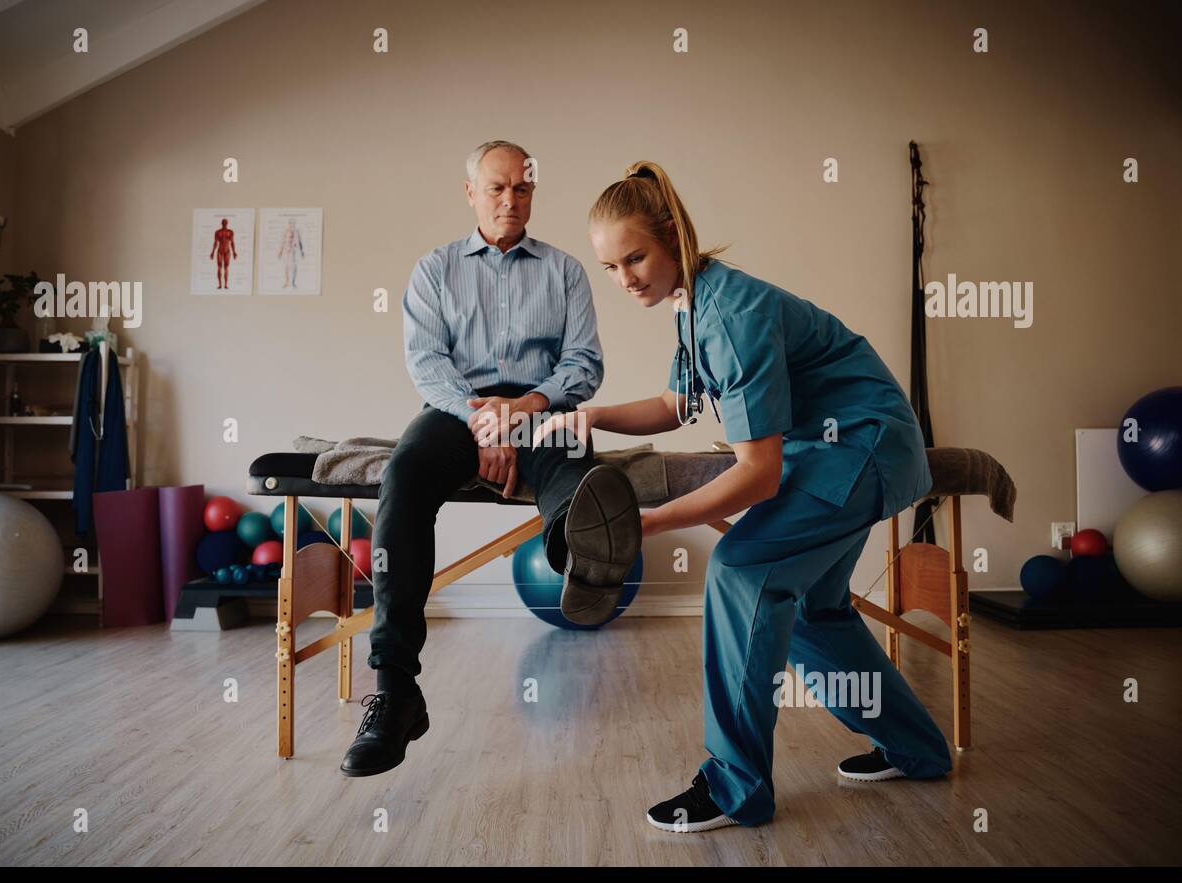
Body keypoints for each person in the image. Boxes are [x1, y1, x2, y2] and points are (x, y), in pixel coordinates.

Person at [533, 160, 953, 831]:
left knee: (739, 571)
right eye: (610, 267)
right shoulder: (692, 304)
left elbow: (758, 473)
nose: (624, 278)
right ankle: (918, 748)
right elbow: (677, 403)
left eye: (635, 257)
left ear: (672, 234)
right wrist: (593, 415)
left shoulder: (731, 313)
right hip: (851, 450)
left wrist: (649, 523)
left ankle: (736, 787)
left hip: (863, 449)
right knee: (815, 609)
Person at [341, 141, 641, 778]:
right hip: (458, 414)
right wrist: (484, 418)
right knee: (406, 469)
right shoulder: (435, 269)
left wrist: (527, 406)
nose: (511, 200)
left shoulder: (564, 271)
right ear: (471, 193)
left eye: (523, 189)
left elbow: (583, 364)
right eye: (498, 188)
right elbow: (428, 364)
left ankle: (576, 556)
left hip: (541, 408)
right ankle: (394, 690)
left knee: (575, 462)